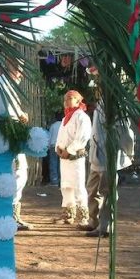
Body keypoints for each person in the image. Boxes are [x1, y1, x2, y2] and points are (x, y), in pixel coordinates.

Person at [0, 61, 33, 231]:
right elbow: (6, 112)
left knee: (14, 175)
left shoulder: (3, 85)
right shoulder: (2, 86)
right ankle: (10, 216)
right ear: (7, 69)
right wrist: (20, 117)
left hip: (5, 136)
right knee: (17, 175)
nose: (20, 74)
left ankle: (8, 215)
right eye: (17, 70)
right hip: (7, 137)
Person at [80, 98, 135, 237]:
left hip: (108, 155)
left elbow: (125, 130)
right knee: (91, 190)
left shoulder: (115, 103)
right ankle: (94, 222)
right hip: (95, 155)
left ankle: (105, 227)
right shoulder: (101, 102)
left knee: (108, 192)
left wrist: (129, 151)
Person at [55, 90, 91, 226]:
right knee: (66, 185)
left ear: (77, 100)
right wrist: (58, 148)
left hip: (75, 157)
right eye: (65, 99)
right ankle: (68, 215)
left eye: (69, 98)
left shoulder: (82, 117)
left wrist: (69, 150)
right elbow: (60, 136)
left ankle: (83, 216)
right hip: (64, 158)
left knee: (78, 185)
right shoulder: (65, 118)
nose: (66, 101)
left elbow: (82, 137)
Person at [47, 112, 62, 186]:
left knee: (53, 163)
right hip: (62, 146)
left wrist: (48, 146)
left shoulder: (53, 126)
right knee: (61, 164)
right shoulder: (64, 125)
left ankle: (54, 181)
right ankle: (61, 180)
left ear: (55, 118)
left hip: (53, 146)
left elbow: (49, 137)